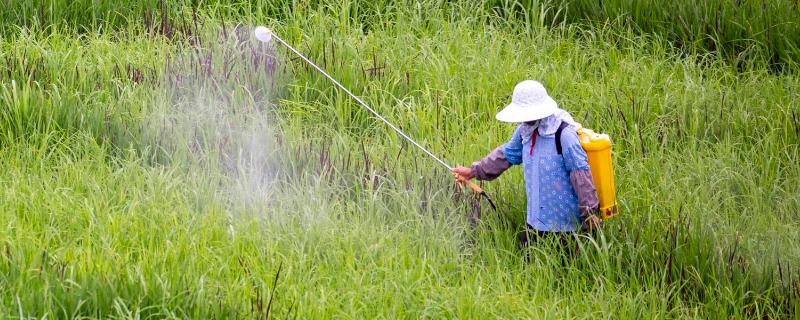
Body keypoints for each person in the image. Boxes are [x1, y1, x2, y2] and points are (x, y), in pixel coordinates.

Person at [452, 80, 601, 247]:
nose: (525, 119)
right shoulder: (525, 132)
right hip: (535, 223)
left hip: (566, 226)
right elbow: (505, 155)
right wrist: (473, 171)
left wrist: (589, 213)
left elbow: (580, 174)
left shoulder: (564, 134)